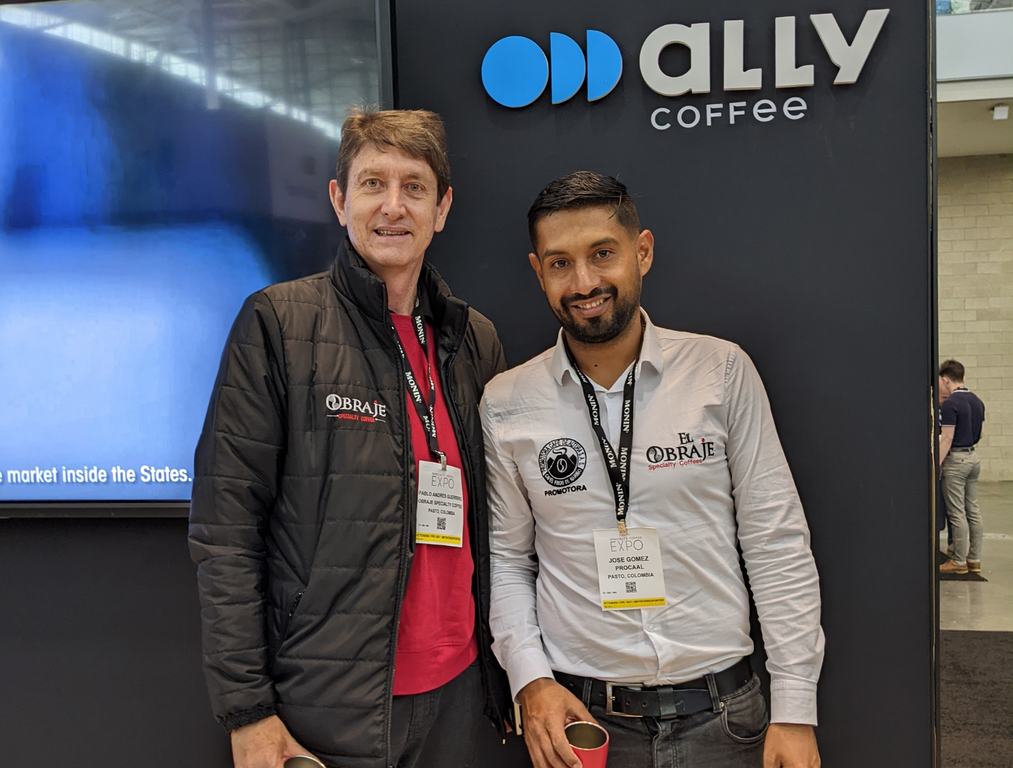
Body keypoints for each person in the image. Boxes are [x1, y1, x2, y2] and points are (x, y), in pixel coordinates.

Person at [188, 108, 509, 768]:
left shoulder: (474, 341)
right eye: (372, 184)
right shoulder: (278, 325)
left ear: (442, 208)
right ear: (340, 200)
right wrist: (247, 711)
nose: (393, 206)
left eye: (414, 186)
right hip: (329, 706)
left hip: (460, 695)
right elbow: (226, 530)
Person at [482, 172, 825, 768]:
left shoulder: (720, 371)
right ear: (538, 272)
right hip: (582, 726)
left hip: (725, 720)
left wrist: (795, 709)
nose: (584, 282)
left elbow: (776, 542)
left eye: (603, 254)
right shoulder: (507, 402)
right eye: (560, 263)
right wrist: (530, 680)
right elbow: (508, 562)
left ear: (642, 252)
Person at [937, 359, 986, 575]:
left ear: (945, 379)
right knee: (972, 510)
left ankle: (957, 561)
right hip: (973, 458)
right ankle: (973, 558)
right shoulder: (977, 401)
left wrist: (934, 465)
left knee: (956, 512)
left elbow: (946, 439)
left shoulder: (950, 405)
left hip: (956, 461)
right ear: (963, 378)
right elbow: (981, 433)